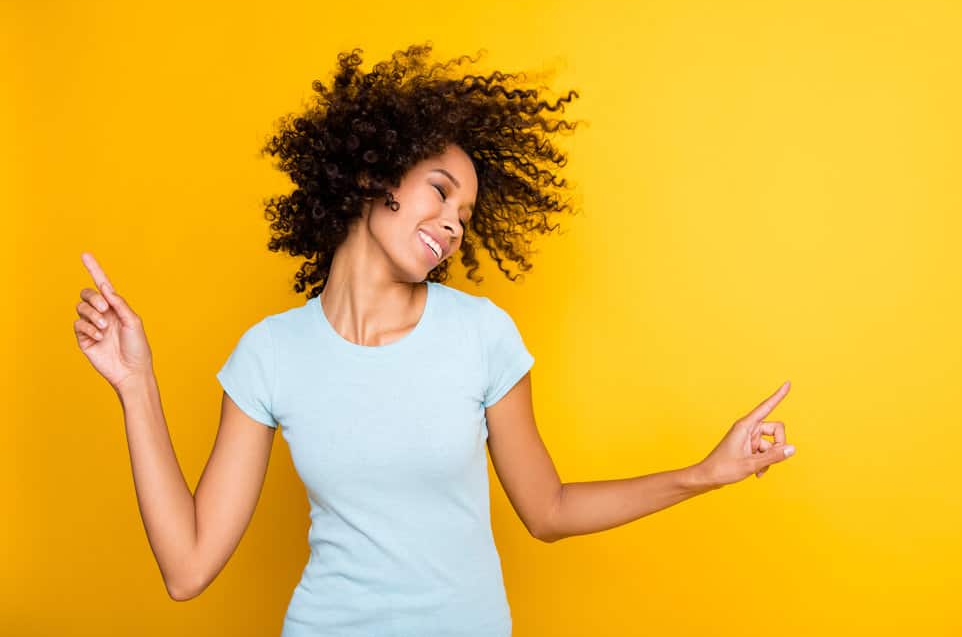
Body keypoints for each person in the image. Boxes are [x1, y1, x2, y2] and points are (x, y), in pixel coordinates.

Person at [74, 43, 796, 637]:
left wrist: (704, 473)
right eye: (440, 190)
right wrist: (136, 385)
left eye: (466, 212)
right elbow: (188, 567)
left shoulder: (481, 335)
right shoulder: (271, 352)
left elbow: (546, 511)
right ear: (370, 173)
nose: (454, 223)